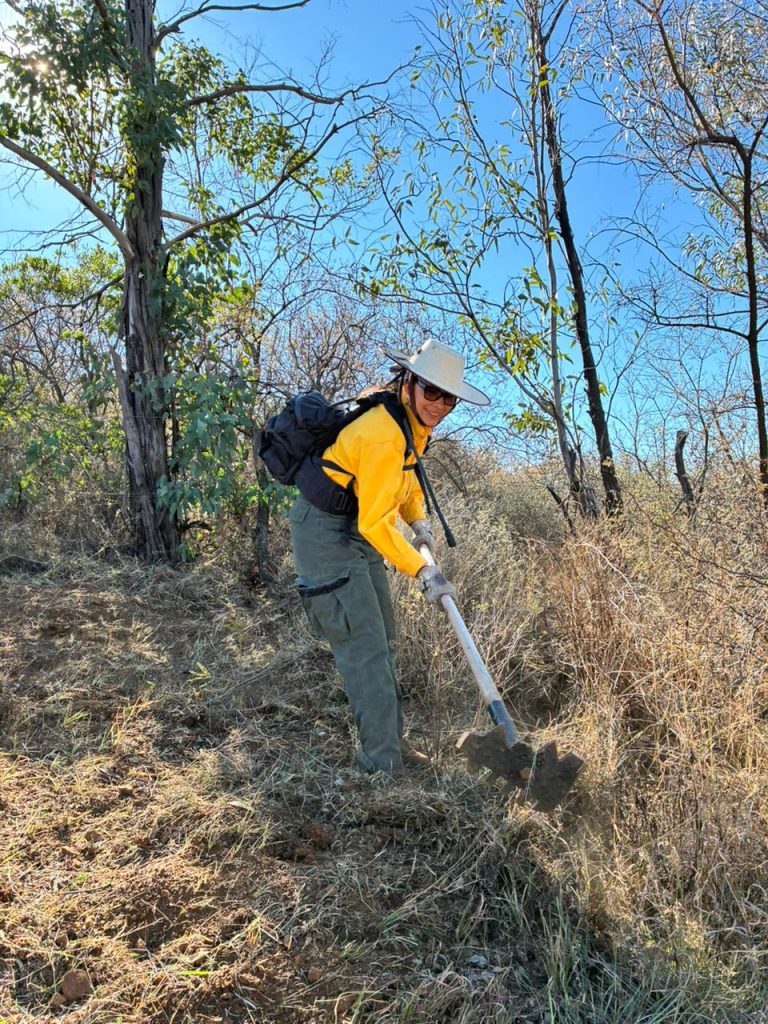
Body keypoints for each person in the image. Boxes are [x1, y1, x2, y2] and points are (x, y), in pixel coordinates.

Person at [288, 338, 491, 772]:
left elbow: (406, 479)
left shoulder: (410, 424)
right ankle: (381, 764)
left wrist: (419, 521)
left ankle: (390, 743)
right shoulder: (383, 431)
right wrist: (422, 570)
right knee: (364, 645)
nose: (439, 404)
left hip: (355, 525)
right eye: (431, 391)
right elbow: (375, 522)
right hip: (325, 532)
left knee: (383, 639)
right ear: (408, 381)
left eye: (449, 398)